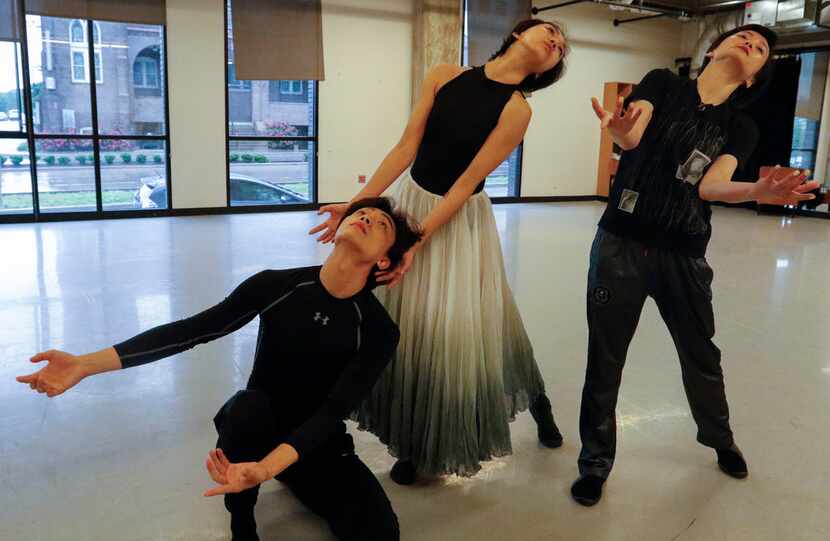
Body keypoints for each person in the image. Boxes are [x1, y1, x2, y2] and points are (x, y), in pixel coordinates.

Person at [16, 197, 422, 541]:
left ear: (386, 260)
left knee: (381, 533)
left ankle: (284, 475)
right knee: (246, 408)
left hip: (315, 443)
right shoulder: (276, 286)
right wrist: (86, 364)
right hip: (257, 426)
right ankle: (242, 522)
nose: (366, 217)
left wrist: (267, 468)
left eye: (381, 222)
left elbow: (334, 410)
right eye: (359, 213)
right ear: (337, 230)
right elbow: (192, 330)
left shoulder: (378, 330)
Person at [309, 19, 568, 484]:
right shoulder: (444, 74)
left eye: (560, 46)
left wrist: (417, 239)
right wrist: (359, 205)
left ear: (547, 68)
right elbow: (407, 147)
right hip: (412, 201)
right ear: (518, 33)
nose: (555, 40)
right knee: (407, 320)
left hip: (458, 217)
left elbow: (467, 183)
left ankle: (533, 403)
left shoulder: (516, 112)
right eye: (549, 30)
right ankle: (412, 439)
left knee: (462, 326)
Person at [572, 24, 820, 506]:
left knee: (701, 355)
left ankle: (720, 439)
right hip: (620, 243)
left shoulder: (739, 126)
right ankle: (595, 462)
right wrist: (623, 130)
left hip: (683, 254)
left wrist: (755, 191)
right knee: (605, 357)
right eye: (744, 36)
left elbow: (709, 186)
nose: (752, 43)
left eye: (762, 48)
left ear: (754, 77)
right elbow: (634, 130)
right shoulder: (662, 84)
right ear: (713, 49)